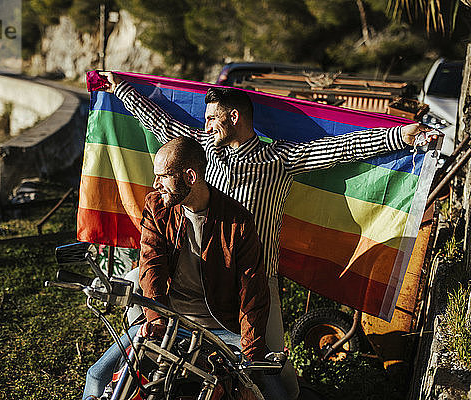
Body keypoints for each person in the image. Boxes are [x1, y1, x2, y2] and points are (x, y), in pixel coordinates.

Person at [98, 71, 441, 400]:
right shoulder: (201, 151)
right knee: (144, 307)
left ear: (234, 117)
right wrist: (121, 88)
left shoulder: (279, 158)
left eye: (212, 119)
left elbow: (341, 148)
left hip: (253, 281)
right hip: (199, 275)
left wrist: (401, 137)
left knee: (271, 370)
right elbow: (161, 123)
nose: (205, 126)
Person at [84, 137, 279, 399]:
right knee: (98, 375)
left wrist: (251, 363)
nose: (156, 184)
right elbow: (150, 265)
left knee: (274, 393)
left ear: (190, 176)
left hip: (222, 330)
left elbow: (252, 294)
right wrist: (157, 319)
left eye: (163, 176)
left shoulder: (237, 221)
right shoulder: (156, 207)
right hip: (171, 321)